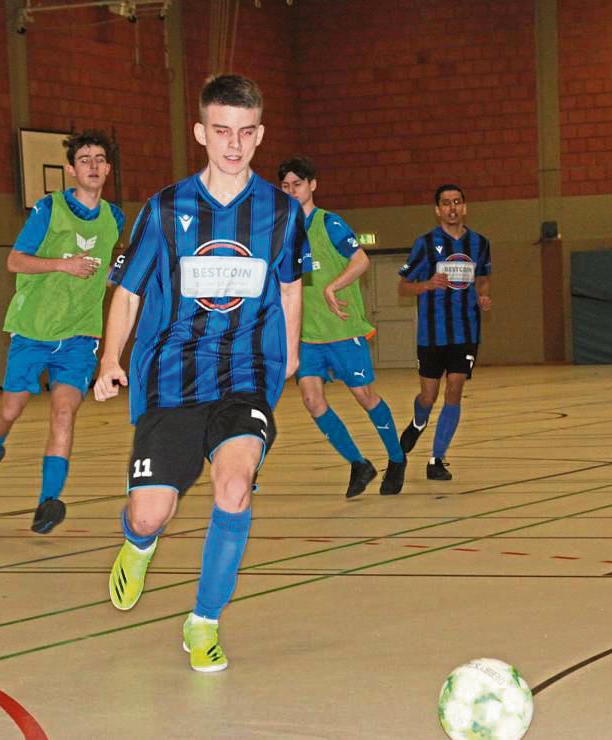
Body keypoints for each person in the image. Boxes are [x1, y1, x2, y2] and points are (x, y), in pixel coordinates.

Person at [94, 74, 309, 673]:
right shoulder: (165, 209)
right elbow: (129, 291)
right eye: (221, 132)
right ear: (200, 133)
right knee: (149, 513)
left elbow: (290, 285)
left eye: (245, 133)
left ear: (260, 135)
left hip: (247, 375)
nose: (233, 145)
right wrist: (110, 358)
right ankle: (138, 543)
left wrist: (289, 352)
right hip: (171, 380)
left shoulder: (282, 213)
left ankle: (203, 622)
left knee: (234, 486)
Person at [0, 130, 124, 534]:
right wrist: (62, 264)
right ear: (70, 169)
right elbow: (15, 261)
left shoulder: (115, 218)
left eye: (99, 159)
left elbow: (102, 274)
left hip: (79, 337)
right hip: (33, 331)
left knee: (64, 412)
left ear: (108, 168)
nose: (92, 165)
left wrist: (120, 277)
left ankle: (48, 501)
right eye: (84, 159)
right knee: (10, 410)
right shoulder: (49, 209)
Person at [278, 156, 406, 497]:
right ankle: (358, 463)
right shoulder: (282, 233)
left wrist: (332, 286)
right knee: (311, 399)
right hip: (307, 336)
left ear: (312, 185)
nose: (292, 191)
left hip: (342, 330)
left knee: (365, 396)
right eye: (286, 186)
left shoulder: (329, 224)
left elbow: (361, 260)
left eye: (298, 184)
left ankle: (396, 458)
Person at [397, 184, 492, 480]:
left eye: (457, 202)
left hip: (466, 332)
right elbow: (403, 287)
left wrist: (483, 296)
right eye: (446, 203)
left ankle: (436, 459)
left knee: (455, 388)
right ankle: (417, 421)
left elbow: (483, 279)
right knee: (429, 395)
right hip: (432, 334)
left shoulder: (480, 243)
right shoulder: (425, 244)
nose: (452, 208)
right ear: (437, 209)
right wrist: (426, 285)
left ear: (464, 207)